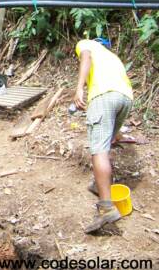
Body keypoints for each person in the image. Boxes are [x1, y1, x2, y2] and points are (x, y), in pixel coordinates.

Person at [73, 37, 133, 233]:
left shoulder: (86, 44)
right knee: (106, 144)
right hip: (125, 98)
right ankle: (100, 185)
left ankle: (106, 207)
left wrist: (79, 88)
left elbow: (86, 56)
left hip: (103, 96)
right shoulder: (112, 56)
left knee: (98, 150)